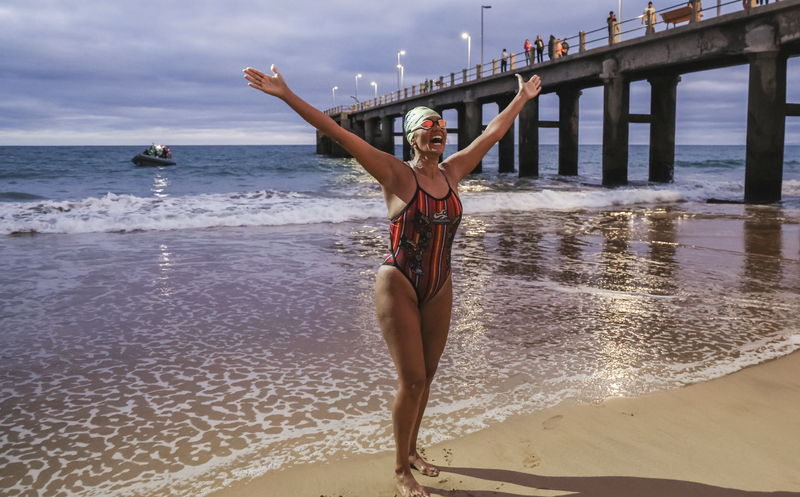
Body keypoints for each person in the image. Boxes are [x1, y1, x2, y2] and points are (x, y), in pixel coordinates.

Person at [243, 64, 542, 497]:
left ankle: (414, 449)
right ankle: (402, 470)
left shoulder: (453, 172)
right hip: (399, 281)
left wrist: (521, 98)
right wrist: (287, 95)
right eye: (428, 125)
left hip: (440, 282)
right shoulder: (396, 175)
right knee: (413, 379)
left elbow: (491, 135)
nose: (439, 130)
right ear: (412, 137)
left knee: (430, 374)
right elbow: (340, 133)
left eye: (442, 125)